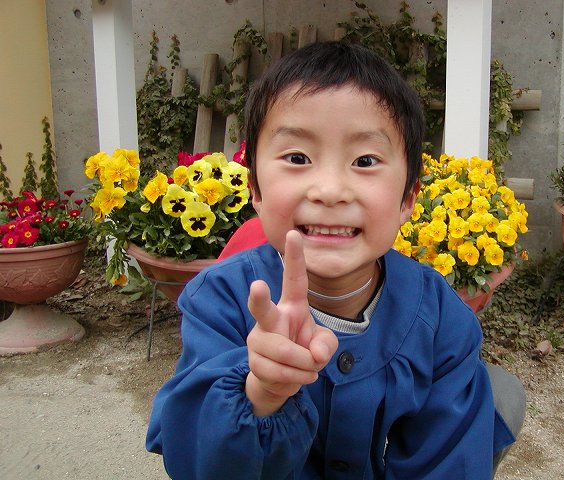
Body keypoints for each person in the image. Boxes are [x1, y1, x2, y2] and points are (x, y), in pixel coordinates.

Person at [146, 41, 525, 479]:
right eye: (297, 158)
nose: (329, 190)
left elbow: (449, 462)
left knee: (498, 394)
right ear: (255, 190)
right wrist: (261, 392)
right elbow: (195, 462)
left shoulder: (439, 315)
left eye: (365, 160)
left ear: (408, 198)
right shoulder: (221, 301)